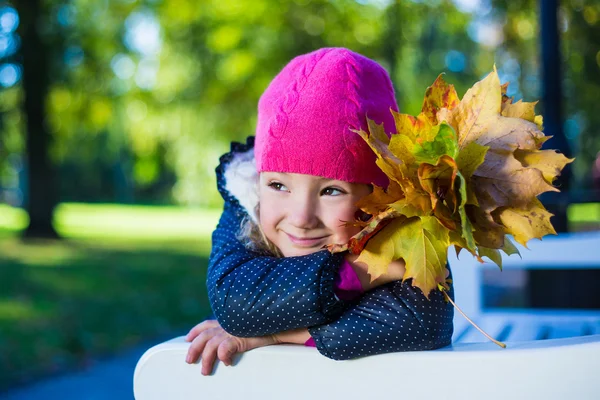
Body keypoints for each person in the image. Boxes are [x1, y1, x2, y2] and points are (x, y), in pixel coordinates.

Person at [185, 48, 454, 375]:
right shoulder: (245, 199)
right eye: (278, 186)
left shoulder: (406, 226)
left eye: (331, 191)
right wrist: (366, 271)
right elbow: (235, 304)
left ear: (377, 198)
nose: (300, 218)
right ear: (259, 180)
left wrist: (275, 332)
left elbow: (423, 324)